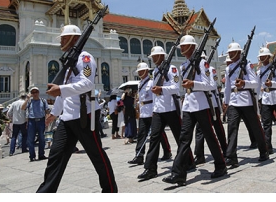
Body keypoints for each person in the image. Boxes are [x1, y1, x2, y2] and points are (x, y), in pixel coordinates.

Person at [37, 24, 118, 193]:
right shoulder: (69, 62)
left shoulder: (85, 58)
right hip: (67, 119)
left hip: (84, 117)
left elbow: (87, 84)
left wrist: (60, 89)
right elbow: (64, 93)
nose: (61, 41)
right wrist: (54, 113)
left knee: (97, 156)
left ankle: (110, 190)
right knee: (55, 158)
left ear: (75, 39)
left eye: (64, 38)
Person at [163, 35, 227, 186]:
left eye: (184, 46)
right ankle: (178, 173)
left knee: (209, 136)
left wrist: (194, 84)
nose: (182, 49)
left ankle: (221, 165)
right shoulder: (184, 66)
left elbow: (210, 85)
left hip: (201, 104)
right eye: (181, 47)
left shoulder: (203, 63)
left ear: (192, 47)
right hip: (189, 105)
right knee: (184, 138)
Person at [138, 45, 193, 181]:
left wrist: (161, 89)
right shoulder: (156, 70)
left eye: (155, 56)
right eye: (152, 57)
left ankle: (189, 161)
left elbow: (175, 87)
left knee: (179, 137)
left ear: (162, 56)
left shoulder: (171, 69)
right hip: (158, 110)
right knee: (154, 139)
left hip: (171, 109)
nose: (154, 59)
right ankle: (150, 168)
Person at [223, 42, 268, 169]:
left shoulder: (247, 66)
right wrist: (226, 102)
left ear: (239, 52)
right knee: (232, 128)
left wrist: (244, 83)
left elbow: (255, 83)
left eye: (233, 52)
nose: (231, 55)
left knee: (255, 126)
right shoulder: (228, 68)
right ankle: (231, 157)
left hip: (246, 99)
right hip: (233, 100)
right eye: (229, 53)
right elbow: (227, 88)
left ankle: (263, 150)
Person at [128, 62, 172, 165]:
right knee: (141, 134)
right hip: (144, 111)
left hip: (152, 110)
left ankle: (167, 151)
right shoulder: (139, 83)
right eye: (139, 71)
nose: (140, 73)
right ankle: (139, 155)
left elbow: (155, 97)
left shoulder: (152, 82)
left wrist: (155, 110)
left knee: (158, 133)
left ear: (147, 71)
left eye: (142, 71)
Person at [193, 51, 227, 166]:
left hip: (212, 103)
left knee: (218, 128)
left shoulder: (210, 69)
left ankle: (225, 150)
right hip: (201, 104)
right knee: (200, 130)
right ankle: (199, 155)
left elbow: (212, 85)